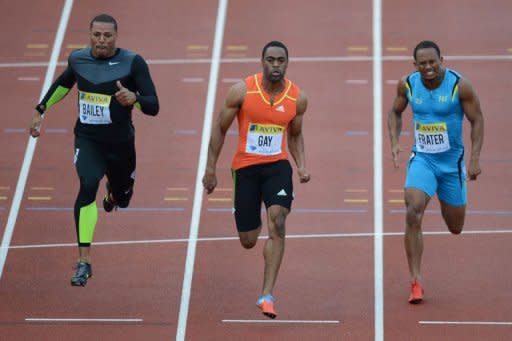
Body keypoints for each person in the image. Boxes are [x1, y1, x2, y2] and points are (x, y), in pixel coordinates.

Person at [29, 14, 159, 286]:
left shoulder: (133, 63)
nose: (101, 40)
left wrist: (134, 99)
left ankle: (114, 192)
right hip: (88, 140)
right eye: (97, 35)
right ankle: (84, 262)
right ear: (90, 35)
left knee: (122, 198)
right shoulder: (78, 60)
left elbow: (153, 105)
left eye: (107, 36)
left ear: (116, 37)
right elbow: (64, 84)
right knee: (87, 184)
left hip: (120, 145)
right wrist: (40, 109)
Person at [202, 41, 310, 318]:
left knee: (279, 221)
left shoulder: (297, 97)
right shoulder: (242, 90)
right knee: (249, 240)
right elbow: (220, 128)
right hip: (246, 169)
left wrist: (301, 166)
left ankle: (266, 294)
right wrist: (210, 169)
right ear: (262, 61)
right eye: (271, 60)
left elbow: (295, 134)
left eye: (281, 61)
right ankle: (260, 230)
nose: (276, 65)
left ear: (287, 63)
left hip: (277, 167)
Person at [387, 40, 484, 304]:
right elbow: (394, 112)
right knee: (412, 209)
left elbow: (477, 119)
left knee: (455, 226)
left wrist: (474, 159)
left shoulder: (458, 85)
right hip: (423, 161)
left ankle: (445, 197)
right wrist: (395, 141)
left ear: (442, 59)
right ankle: (416, 281)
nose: (428, 67)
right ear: (415, 65)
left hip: (451, 165)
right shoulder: (407, 84)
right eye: (423, 63)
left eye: (433, 62)